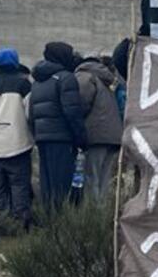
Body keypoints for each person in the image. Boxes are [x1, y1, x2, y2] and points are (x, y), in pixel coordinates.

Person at [29, 41, 88, 211]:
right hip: (62, 139)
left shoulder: (38, 81)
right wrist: (81, 138)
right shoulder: (65, 77)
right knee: (62, 185)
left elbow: (31, 113)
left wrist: (37, 134)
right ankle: (62, 224)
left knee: (47, 184)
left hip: (42, 138)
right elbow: (72, 112)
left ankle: (49, 223)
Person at [0, 48, 35, 224]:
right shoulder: (23, 85)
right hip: (18, 142)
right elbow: (30, 112)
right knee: (19, 185)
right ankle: (21, 222)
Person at [74, 51, 124, 200]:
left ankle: (91, 215)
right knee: (104, 179)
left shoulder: (85, 75)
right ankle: (101, 215)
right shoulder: (107, 78)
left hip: (95, 134)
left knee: (91, 178)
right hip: (113, 135)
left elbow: (81, 104)